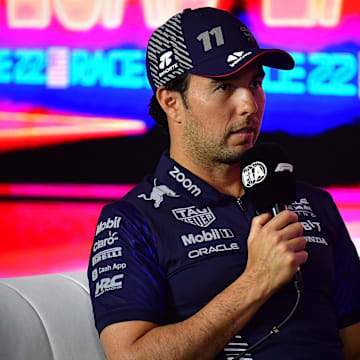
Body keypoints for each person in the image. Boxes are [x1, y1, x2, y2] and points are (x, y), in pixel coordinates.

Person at [87, 7, 360, 360]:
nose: (249, 103)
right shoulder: (130, 221)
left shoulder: (314, 203)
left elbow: (354, 341)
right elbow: (130, 356)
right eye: (224, 86)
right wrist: (256, 281)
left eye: (255, 83)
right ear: (172, 102)